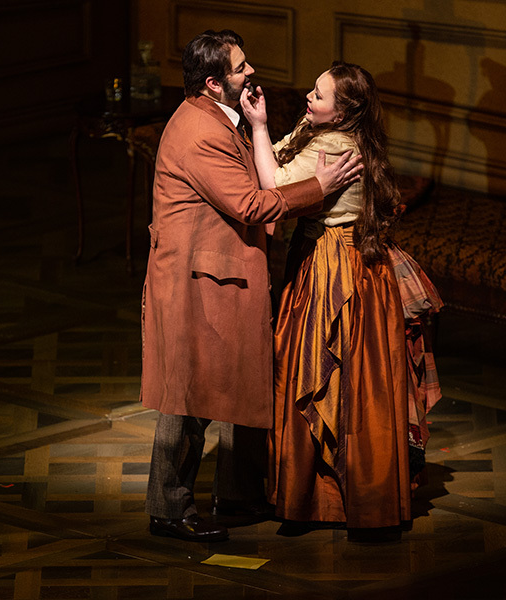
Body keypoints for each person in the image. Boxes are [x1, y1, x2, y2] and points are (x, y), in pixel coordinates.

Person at [140, 32, 363, 543]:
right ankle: (168, 508)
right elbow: (251, 204)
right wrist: (321, 187)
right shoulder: (201, 131)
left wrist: (261, 127)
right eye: (240, 68)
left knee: (238, 381)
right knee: (189, 393)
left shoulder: (221, 116)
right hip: (194, 282)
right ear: (213, 82)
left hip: (219, 273)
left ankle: (237, 493)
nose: (251, 72)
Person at [240, 61, 442, 542]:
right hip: (358, 268)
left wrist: (260, 127)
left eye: (319, 95)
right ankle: (348, 497)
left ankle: (321, 497)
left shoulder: (333, 146)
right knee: (361, 380)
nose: (309, 98)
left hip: (333, 271)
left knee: (319, 372)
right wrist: (281, 131)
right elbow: (280, 161)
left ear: (345, 110)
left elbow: (275, 187)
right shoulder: (337, 134)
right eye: (312, 90)